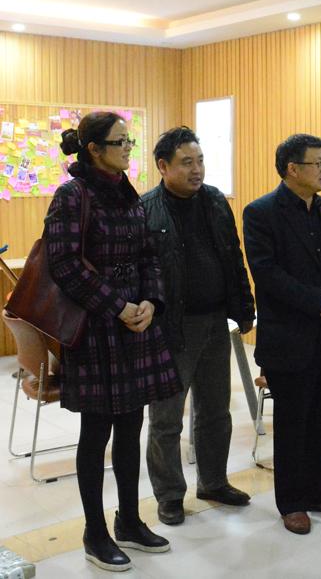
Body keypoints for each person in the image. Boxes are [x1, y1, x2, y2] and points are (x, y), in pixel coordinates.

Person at [45, 112, 181, 572]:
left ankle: (129, 521)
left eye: (129, 141)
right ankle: (94, 532)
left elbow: (149, 255)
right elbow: (64, 265)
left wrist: (150, 303)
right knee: (96, 432)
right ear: (94, 149)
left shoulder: (127, 193)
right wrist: (117, 306)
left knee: (131, 426)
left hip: (134, 324)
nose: (127, 149)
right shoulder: (72, 195)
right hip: (96, 328)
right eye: (119, 142)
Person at [242, 134, 321, 535]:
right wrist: (320, 304)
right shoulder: (261, 213)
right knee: (293, 421)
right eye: (318, 164)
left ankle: (320, 491)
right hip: (289, 337)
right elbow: (268, 275)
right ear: (293, 169)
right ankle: (292, 502)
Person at [142, 126, 256, 525]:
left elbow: (233, 256)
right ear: (163, 166)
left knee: (215, 410)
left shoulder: (215, 201)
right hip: (170, 328)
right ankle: (170, 495)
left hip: (214, 322)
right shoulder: (147, 209)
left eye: (201, 161)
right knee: (167, 418)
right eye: (187, 162)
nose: (197, 170)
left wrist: (244, 307)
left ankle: (213, 481)